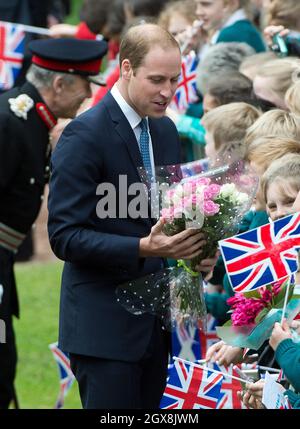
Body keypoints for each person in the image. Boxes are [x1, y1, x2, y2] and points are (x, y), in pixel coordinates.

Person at [47, 23, 218, 409]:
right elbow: (65, 236)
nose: (167, 91)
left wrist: (194, 250)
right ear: (126, 69)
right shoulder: (84, 135)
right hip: (103, 330)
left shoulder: (165, 131)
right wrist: (144, 247)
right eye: (156, 79)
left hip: (155, 329)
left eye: (174, 80)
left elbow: (165, 217)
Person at [0, 37, 108, 409]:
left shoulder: (30, 119)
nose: (86, 98)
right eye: (83, 86)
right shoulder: (9, 122)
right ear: (59, 84)